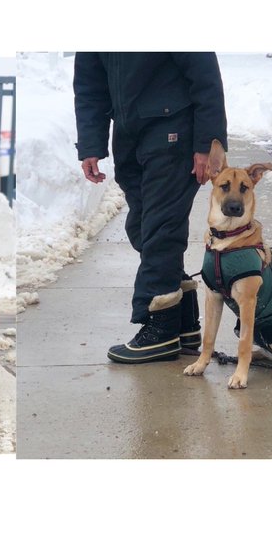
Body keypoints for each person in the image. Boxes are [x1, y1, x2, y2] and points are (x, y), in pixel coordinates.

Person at [73, 52, 227, 363]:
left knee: (161, 229)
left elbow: (205, 77)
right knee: (142, 227)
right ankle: (183, 322)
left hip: (175, 131)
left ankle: (160, 329)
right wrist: (91, 144)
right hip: (129, 135)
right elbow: (89, 84)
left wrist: (206, 145)